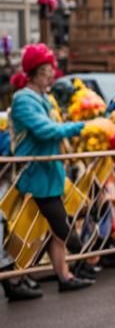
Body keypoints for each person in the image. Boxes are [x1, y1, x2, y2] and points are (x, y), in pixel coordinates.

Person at [9, 44, 91, 291]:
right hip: (35, 176)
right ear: (35, 73)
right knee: (48, 230)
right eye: (46, 71)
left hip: (50, 173)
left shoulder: (44, 99)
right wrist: (83, 126)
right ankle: (12, 282)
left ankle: (63, 276)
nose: (51, 76)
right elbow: (45, 131)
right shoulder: (23, 99)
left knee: (49, 231)